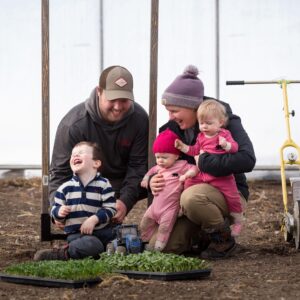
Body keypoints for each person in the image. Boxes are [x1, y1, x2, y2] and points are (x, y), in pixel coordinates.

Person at [149, 65, 256, 259]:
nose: (170, 117)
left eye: (174, 110)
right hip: (184, 198)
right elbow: (164, 164)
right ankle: (203, 234)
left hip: (226, 192)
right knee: (159, 248)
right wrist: (153, 181)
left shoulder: (225, 121)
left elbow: (247, 160)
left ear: (193, 107)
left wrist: (204, 162)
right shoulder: (170, 130)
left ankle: (223, 240)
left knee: (192, 198)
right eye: (168, 110)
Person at [48, 65, 148, 224]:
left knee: (161, 179)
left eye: (123, 100)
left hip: (123, 184)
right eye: (112, 99)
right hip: (85, 186)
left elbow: (138, 165)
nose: (118, 107)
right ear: (99, 92)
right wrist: (57, 208)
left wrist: (124, 201)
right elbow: (60, 172)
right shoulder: (74, 124)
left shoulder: (140, 120)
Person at [34, 141, 117, 260]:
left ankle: (105, 250)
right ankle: (63, 253)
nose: (75, 156)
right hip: (77, 234)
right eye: (73, 155)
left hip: (102, 231)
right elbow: (55, 211)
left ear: (96, 163)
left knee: (121, 236)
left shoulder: (104, 184)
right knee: (91, 245)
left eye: (81, 153)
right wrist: (59, 213)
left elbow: (111, 208)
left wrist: (94, 219)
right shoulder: (65, 188)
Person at [175, 99, 243, 237]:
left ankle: (237, 219)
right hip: (203, 173)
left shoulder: (224, 135)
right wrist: (183, 147)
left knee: (232, 195)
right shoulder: (201, 137)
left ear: (220, 123)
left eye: (209, 123)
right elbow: (194, 150)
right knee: (188, 182)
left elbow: (235, 147)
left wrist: (226, 146)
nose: (204, 126)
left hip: (221, 176)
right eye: (202, 123)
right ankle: (182, 206)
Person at [140, 129, 199, 251]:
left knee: (165, 227)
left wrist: (189, 174)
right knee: (145, 222)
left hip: (170, 207)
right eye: (158, 157)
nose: (160, 160)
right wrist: (147, 180)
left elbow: (194, 168)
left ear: (176, 155)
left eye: (165, 157)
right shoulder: (158, 167)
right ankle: (143, 240)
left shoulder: (182, 165)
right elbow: (150, 172)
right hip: (155, 206)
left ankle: (159, 246)